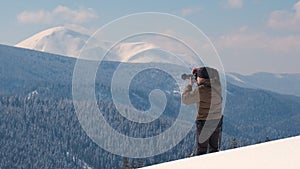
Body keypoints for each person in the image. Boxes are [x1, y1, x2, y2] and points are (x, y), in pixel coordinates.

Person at [182, 67, 223, 155]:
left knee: (202, 151)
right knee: (214, 149)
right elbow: (215, 74)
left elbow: (185, 99)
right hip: (217, 121)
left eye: (198, 77)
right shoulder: (217, 85)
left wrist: (190, 85)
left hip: (204, 122)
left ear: (202, 78)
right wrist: (199, 71)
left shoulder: (201, 90)